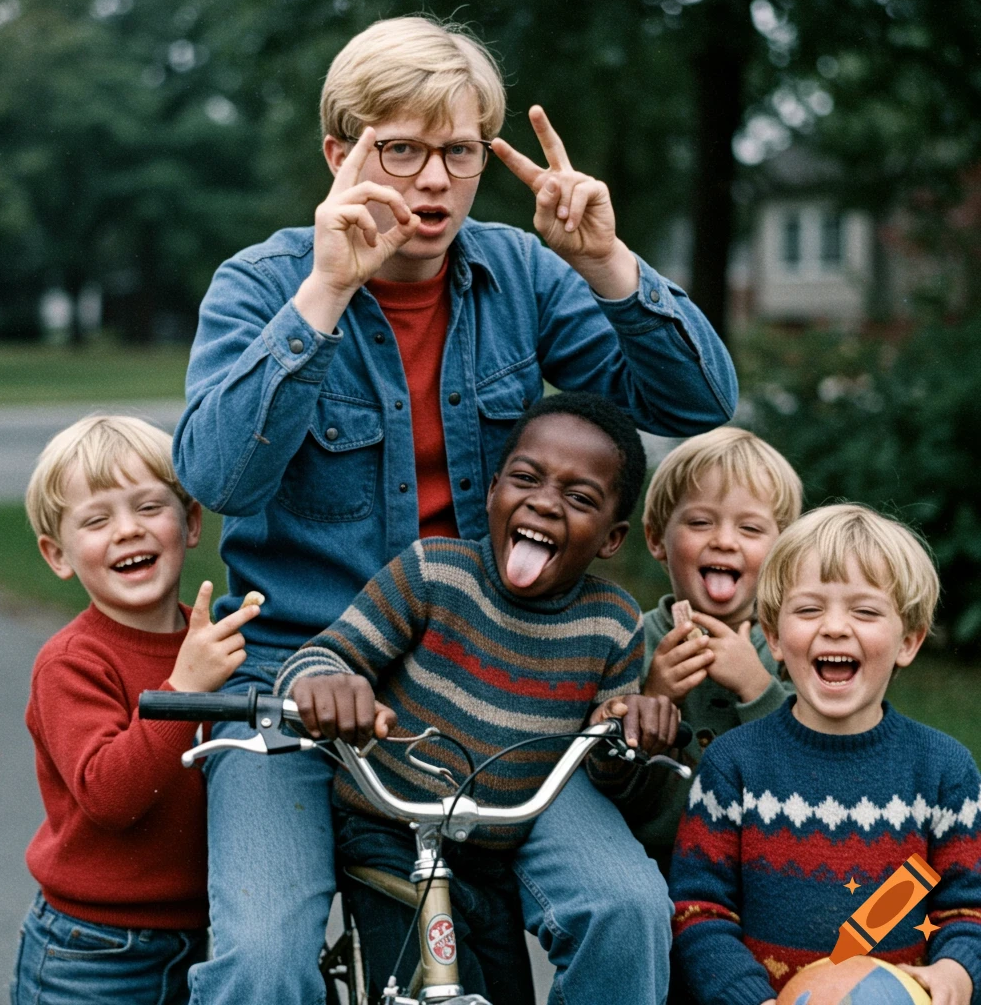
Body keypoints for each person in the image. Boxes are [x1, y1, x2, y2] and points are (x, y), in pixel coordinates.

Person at [172, 14, 737, 1004]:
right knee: (259, 957)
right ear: (339, 153)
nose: (432, 183)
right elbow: (218, 478)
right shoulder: (260, 284)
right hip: (294, 682)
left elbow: (695, 403)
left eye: (459, 153)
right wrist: (323, 294)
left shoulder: (519, 273)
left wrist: (605, 262)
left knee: (623, 908)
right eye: (400, 150)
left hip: (499, 675)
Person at [275, 392, 680, 1005]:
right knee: (415, 990)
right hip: (389, 834)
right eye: (526, 478)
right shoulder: (435, 573)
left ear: (611, 537)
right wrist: (326, 686)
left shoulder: (612, 624)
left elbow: (606, 760)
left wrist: (627, 736)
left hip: (495, 850)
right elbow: (326, 654)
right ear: (492, 491)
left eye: (579, 498)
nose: (544, 502)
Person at [669, 504, 981, 1005]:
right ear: (773, 638)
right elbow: (699, 909)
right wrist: (747, 997)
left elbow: (968, 909)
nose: (835, 627)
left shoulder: (943, 770)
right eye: (810, 609)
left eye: (865, 611)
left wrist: (956, 970)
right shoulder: (735, 765)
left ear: (909, 641)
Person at [11, 416, 260, 1005]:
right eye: (97, 520)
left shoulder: (212, 647)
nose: (127, 531)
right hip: (91, 951)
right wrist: (183, 689)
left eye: (149, 507)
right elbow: (109, 794)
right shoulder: (71, 662)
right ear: (58, 555)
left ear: (191, 522)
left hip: (201, 940)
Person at [623, 427, 802, 876]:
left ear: (782, 551)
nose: (724, 540)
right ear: (657, 539)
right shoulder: (630, 641)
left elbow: (810, 770)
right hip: (657, 870)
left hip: (762, 871)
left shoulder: (792, 650)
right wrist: (657, 697)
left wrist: (756, 685)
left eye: (750, 528)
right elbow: (617, 792)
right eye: (700, 522)